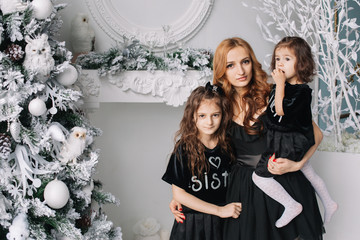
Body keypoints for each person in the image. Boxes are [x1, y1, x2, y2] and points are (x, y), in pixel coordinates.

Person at [170, 37, 325, 240]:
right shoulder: (219, 106)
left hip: (283, 184)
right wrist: (181, 196)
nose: (240, 71)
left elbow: (316, 134)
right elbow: (201, 149)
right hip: (243, 190)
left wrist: (297, 165)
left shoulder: (275, 93)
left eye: (245, 62)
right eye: (231, 65)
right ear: (222, 70)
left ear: (253, 62)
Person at [252, 36, 338, 228]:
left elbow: (281, 111)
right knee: (309, 171)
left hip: (288, 143)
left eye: (287, 59)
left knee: (259, 176)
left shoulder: (301, 91)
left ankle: (290, 204)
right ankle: (329, 202)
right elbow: (273, 109)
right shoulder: (282, 87)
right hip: (288, 140)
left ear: (302, 63)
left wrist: (280, 84)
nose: (280, 63)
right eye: (278, 59)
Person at [162, 82, 242, 240]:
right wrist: (218, 210)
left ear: (223, 115)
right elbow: (179, 194)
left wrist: (224, 211)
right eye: (202, 116)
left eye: (215, 115)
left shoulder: (229, 144)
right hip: (193, 224)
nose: (209, 122)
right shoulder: (184, 148)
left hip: (224, 222)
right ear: (193, 116)